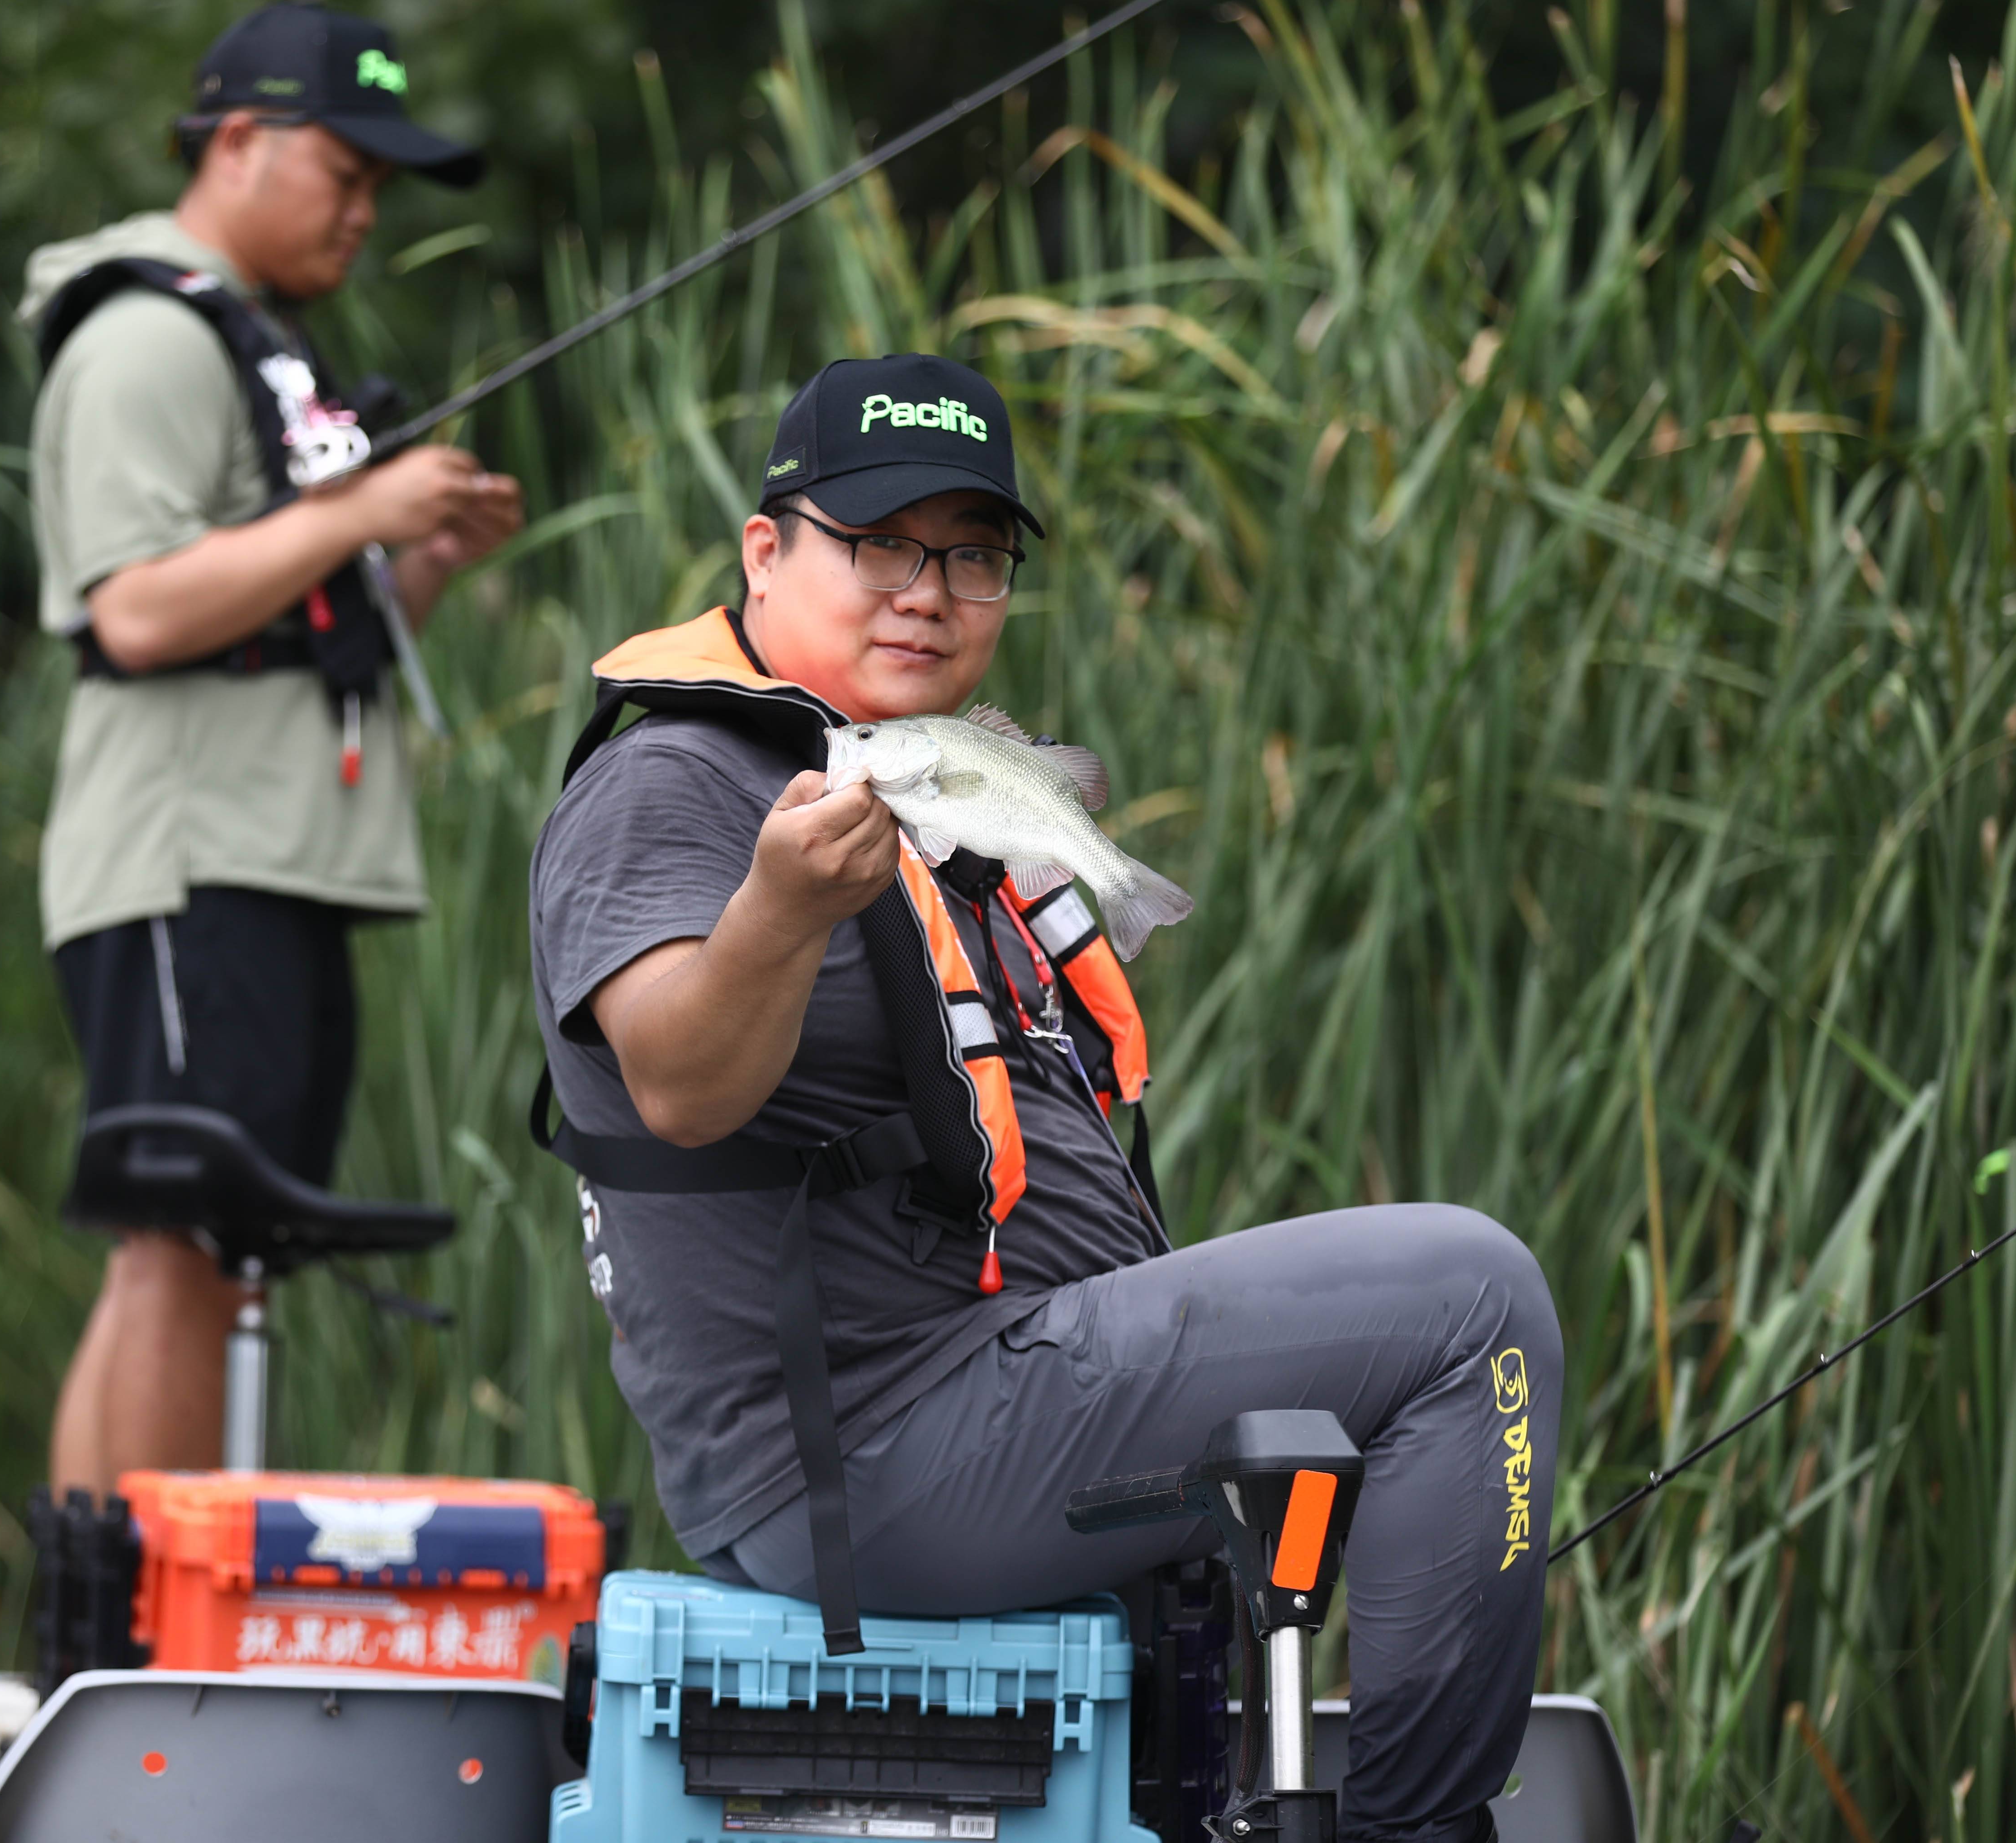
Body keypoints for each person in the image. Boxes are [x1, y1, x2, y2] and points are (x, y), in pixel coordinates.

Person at [529, 352, 1555, 1843]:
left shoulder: (936, 807)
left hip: (987, 1407)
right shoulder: (680, 784)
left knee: (1425, 1356)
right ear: (767, 552)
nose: (928, 591)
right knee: (1476, 1303)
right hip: (873, 1455)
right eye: (880, 543)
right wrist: (774, 911)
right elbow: (678, 1088)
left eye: (975, 555)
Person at [23, 1, 523, 1495]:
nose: (365, 212)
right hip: (187, 863)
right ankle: (144, 1649)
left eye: (382, 189)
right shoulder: (143, 338)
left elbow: (305, 627)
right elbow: (131, 612)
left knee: (199, 1255)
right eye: (345, 174)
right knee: (182, 1250)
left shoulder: (261, 352)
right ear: (237, 141)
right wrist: (356, 514)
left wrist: (417, 554)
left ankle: (98, 1632)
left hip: (266, 862)